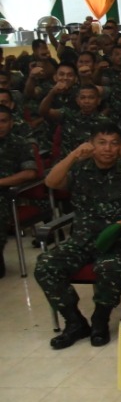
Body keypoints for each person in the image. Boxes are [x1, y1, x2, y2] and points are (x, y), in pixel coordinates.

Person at [38, 124, 121, 349]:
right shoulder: (79, 169)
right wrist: (73, 155)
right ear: (92, 145)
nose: (108, 149)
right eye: (102, 143)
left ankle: (100, 320)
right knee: (46, 265)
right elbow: (51, 182)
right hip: (80, 240)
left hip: (113, 241)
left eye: (114, 143)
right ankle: (74, 322)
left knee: (111, 268)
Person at [0, 106, 37, 277]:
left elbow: (30, 172)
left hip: (6, 194)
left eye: (3, 121)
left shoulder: (20, 143)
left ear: (12, 123)